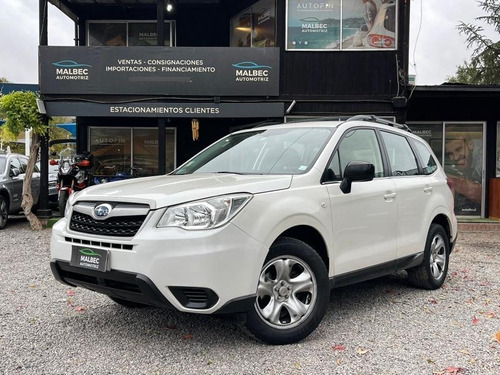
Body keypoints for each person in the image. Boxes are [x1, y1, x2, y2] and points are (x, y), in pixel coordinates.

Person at [445, 132, 482, 214]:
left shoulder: (483, 162)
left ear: (470, 145)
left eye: (459, 149)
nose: (455, 157)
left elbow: (484, 195)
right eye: (450, 153)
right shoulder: (467, 167)